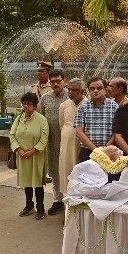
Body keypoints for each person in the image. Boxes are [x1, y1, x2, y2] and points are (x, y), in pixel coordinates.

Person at [9, 92, 49, 220]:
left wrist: (32, 151)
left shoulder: (41, 120)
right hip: (22, 156)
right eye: (24, 104)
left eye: (29, 104)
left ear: (35, 106)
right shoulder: (19, 118)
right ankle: (29, 206)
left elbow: (44, 139)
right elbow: (12, 135)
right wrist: (18, 150)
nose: (26, 106)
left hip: (36, 156)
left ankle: (41, 208)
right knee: (27, 182)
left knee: (37, 183)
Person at [38, 69, 68, 215]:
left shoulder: (71, 95)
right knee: (54, 171)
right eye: (53, 81)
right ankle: (57, 200)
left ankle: (69, 200)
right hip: (51, 142)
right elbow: (42, 119)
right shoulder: (45, 98)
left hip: (68, 142)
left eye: (58, 81)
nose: (56, 84)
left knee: (68, 170)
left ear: (64, 81)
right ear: (49, 82)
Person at [55, 78, 83, 215]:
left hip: (81, 146)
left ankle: (80, 210)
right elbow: (62, 124)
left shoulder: (88, 105)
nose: (71, 92)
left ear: (82, 91)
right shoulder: (64, 105)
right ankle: (68, 211)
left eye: (74, 90)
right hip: (67, 146)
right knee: (67, 173)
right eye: (69, 89)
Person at [75, 77, 118, 162]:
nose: (95, 90)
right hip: (87, 152)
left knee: (109, 175)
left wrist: (106, 149)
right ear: (89, 91)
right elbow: (79, 132)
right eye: (92, 88)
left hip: (110, 151)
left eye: (99, 88)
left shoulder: (114, 106)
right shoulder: (82, 107)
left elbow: (117, 131)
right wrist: (96, 150)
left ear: (105, 90)